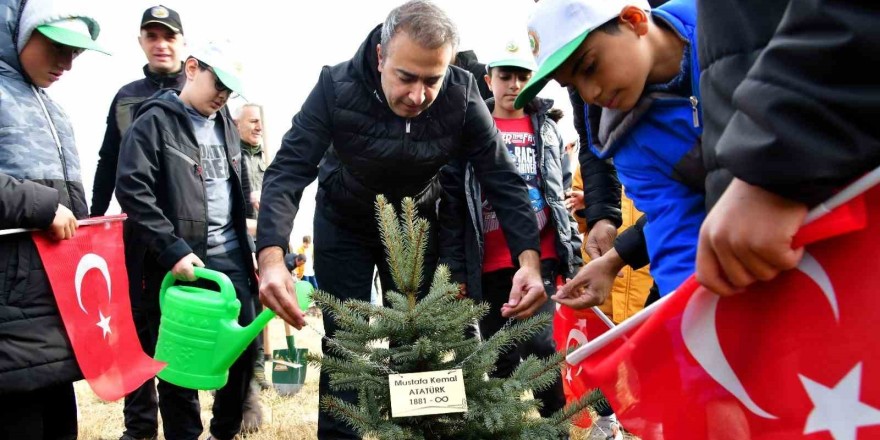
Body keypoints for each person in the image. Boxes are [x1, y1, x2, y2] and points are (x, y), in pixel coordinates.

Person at [255, 1, 546, 438]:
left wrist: (529, 260)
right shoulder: (335, 86)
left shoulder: (463, 94)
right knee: (345, 347)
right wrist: (272, 255)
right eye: (405, 77)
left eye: (433, 80)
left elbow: (502, 179)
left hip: (415, 227)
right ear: (380, 57)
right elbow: (290, 168)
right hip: (344, 224)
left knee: (416, 346)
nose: (418, 96)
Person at [115, 40, 257, 440]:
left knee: (243, 349)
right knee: (180, 361)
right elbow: (132, 189)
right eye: (218, 84)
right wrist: (172, 250)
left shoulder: (226, 122)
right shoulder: (153, 121)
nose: (223, 97)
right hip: (179, 262)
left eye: (230, 90)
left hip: (232, 257)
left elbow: (237, 186)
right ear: (192, 68)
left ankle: (224, 432)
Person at [518, 0, 705, 301]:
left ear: (633, 20)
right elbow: (675, 229)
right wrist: (688, 319)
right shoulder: (626, 139)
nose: (590, 93)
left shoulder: (730, 24)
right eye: (574, 86)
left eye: (590, 67)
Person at [439, 31, 580, 424]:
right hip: (487, 259)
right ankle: (506, 428)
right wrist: (457, 268)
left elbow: (559, 189)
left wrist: (571, 247)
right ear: (489, 79)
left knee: (539, 345)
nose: (514, 84)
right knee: (498, 350)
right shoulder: (470, 130)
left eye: (522, 76)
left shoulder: (547, 128)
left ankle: (555, 428)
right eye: (505, 75)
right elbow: (452, 204)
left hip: (541, 256)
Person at [695, 0, 880, 295]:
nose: (594, 94)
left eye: (592, 65)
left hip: (824, 194)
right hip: (766, 237)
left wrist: (775, 160)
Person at [0, 0, 109, 438]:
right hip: (9, 323)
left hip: (56, 313)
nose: (67, 62)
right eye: (57, 45)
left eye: (77, 52)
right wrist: (40, 205)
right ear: (23, 32)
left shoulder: (55, 109)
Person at [91, 5, 186, 217]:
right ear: (140, 41)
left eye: (170, 37)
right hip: (141, 221)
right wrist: (96, 214)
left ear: (183, 42)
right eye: (152, 36)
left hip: (194, 222)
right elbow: (109, 159)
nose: (161, 45)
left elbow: (231, 163)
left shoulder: (199, 91)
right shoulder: (125, 96)